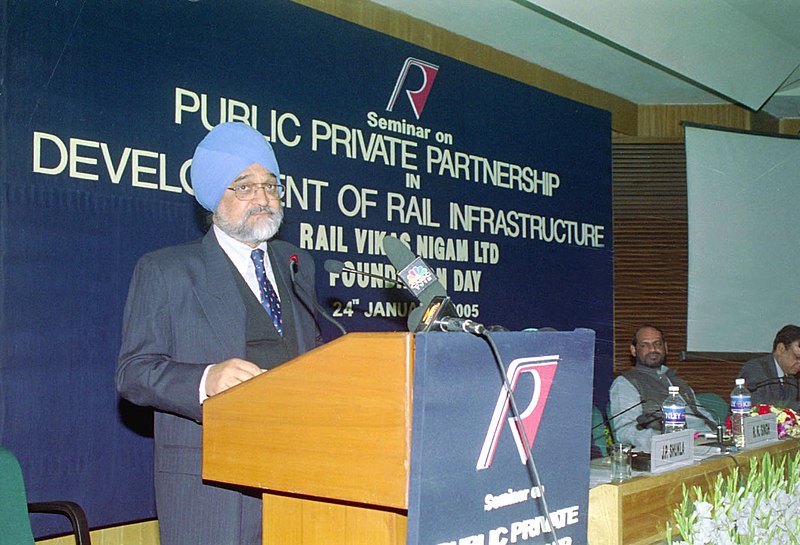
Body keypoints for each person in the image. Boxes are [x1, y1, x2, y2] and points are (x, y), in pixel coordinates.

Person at [116, 122, 323, 545]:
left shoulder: (295, 263)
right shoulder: (167, 271)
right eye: (244, 187)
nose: (263, 199)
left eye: (271, 185)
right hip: (212, 486)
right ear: (213, 197)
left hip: (300, 479)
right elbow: (133, 373)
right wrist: (205, 379)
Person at [608, 325, 717, 452]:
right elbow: (625, 432)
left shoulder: (677, 381)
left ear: (665, 347)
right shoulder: (626, 383)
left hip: (706, 443)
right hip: (674, 450)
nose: (653, 349)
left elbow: (702, 415)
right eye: (645, 345)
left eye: (657, 344)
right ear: (633, 350)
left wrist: (722, 433)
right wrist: (667, 442)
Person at [738, 325, 800, 411]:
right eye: (797, 357)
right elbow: (755, 407)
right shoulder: (755, 368)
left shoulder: (792, 379)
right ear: (780, 349)